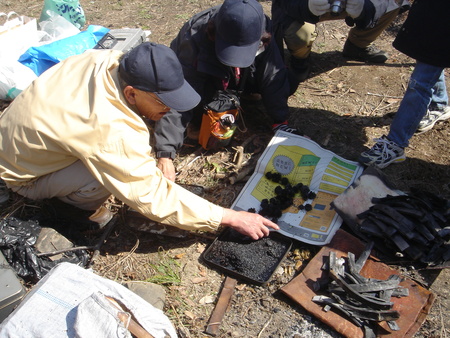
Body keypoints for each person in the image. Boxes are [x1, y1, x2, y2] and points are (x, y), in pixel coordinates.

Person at [0, 42, 279, 240]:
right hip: (23, 174)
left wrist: (161, 155)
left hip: (17, 140)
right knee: (101, 179)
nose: (169, 109)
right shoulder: (109, 130)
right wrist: (229, 217)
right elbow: (150, 196)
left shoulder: (105, 60)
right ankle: (73, 209)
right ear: (131, 93)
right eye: (163, 102)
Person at [154, 0, 299, 181]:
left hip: (241, 76)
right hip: (208, 79)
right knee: (200, 113)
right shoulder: (194, 38)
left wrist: (281, 121)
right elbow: (180, 90)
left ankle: (243, 95)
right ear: (214, 32)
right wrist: (165, 152)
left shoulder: (262, 27)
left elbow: (271, 74)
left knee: (288, 81)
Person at [358, 0, 450, 169]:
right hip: (434, 11)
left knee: (420, 82)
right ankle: (439, 105)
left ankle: (395, 143)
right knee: (428, 58)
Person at [271, 0, 410, 82]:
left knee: (394, 2)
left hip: (353, 3)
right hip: (304, 5)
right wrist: (306, 7)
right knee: (300, 34)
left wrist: (365, 9)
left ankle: (358, 45)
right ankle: (300, 59)